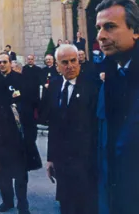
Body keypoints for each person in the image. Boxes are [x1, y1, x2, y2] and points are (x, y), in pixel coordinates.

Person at [95, 0, 139, 214]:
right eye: (99, 28)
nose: (100, 36)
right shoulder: (109, 77)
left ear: (135, 31)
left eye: (110, 27)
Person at [46, 44, 98, 214]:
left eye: (74, 61)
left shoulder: (92, 86)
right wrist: (51, 158)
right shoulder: (54, 86)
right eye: (65, 62)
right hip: (62, 162)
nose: (70, 66)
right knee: (66, 206)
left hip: (86, 162)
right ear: (57, 66)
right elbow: (53, 126)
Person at [0, 53, 35, 213]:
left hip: (19, 133)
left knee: (20, 172)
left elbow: (28, 101)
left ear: (10, 63)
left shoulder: (20, 79)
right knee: (3, 173)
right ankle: (7, 201)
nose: (2, 65)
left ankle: (22, 203)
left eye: (4, 62)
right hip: (1, 134)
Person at [21, 54, 43, 170]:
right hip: (26, 98)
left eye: (31, 59)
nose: (30, 61)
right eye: (28, 59)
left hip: (34, 98)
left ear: (34, 60)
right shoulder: (24, 69)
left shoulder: (38, 70)